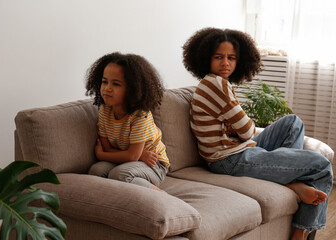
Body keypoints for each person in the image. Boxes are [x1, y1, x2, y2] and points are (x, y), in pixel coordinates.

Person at [183, 27, 333, 240]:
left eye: (231, 58)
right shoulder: (215, 85)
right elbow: (246, 130)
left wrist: (238, 127)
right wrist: (239, 127)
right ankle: (301, 232)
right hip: (229, 159)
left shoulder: (217, 83)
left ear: (239, 60)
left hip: (238, 150)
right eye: (219, 57)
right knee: (321, 166)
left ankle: (288, 179)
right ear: (206, 57)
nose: (226, 63)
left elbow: (244, 129)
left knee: (292, 123)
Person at [85, 52, 169, 192]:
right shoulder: (105, 111)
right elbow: (108, 148)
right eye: (105, 81)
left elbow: (131, 155)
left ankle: (162, 195)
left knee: (119, 174)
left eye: (116, 84)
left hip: (154, 164)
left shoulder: (141, 116)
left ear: (133, 89)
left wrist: (101, 155)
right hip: (132, 159)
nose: (107, 88)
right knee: (96, 170)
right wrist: (136, 155)